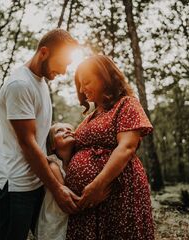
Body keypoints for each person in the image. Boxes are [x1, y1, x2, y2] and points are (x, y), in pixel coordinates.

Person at [0, 29, 80, 240]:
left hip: (35, 179)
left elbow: (40, 137)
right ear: (44, 52)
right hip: (16, 184)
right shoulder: (20, 85)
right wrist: (57, 189)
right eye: (63, 62)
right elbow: (28, 144)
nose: (65, 71)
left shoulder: (39, 81)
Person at [65, 55, 155, 239]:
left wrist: (98, 185)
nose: (82, 89)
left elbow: (127, 147)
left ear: (105, 78)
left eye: (87, 82)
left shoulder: (126, 104)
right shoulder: (91, 116)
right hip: (88, 201)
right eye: (80, 85)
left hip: (118, 192)